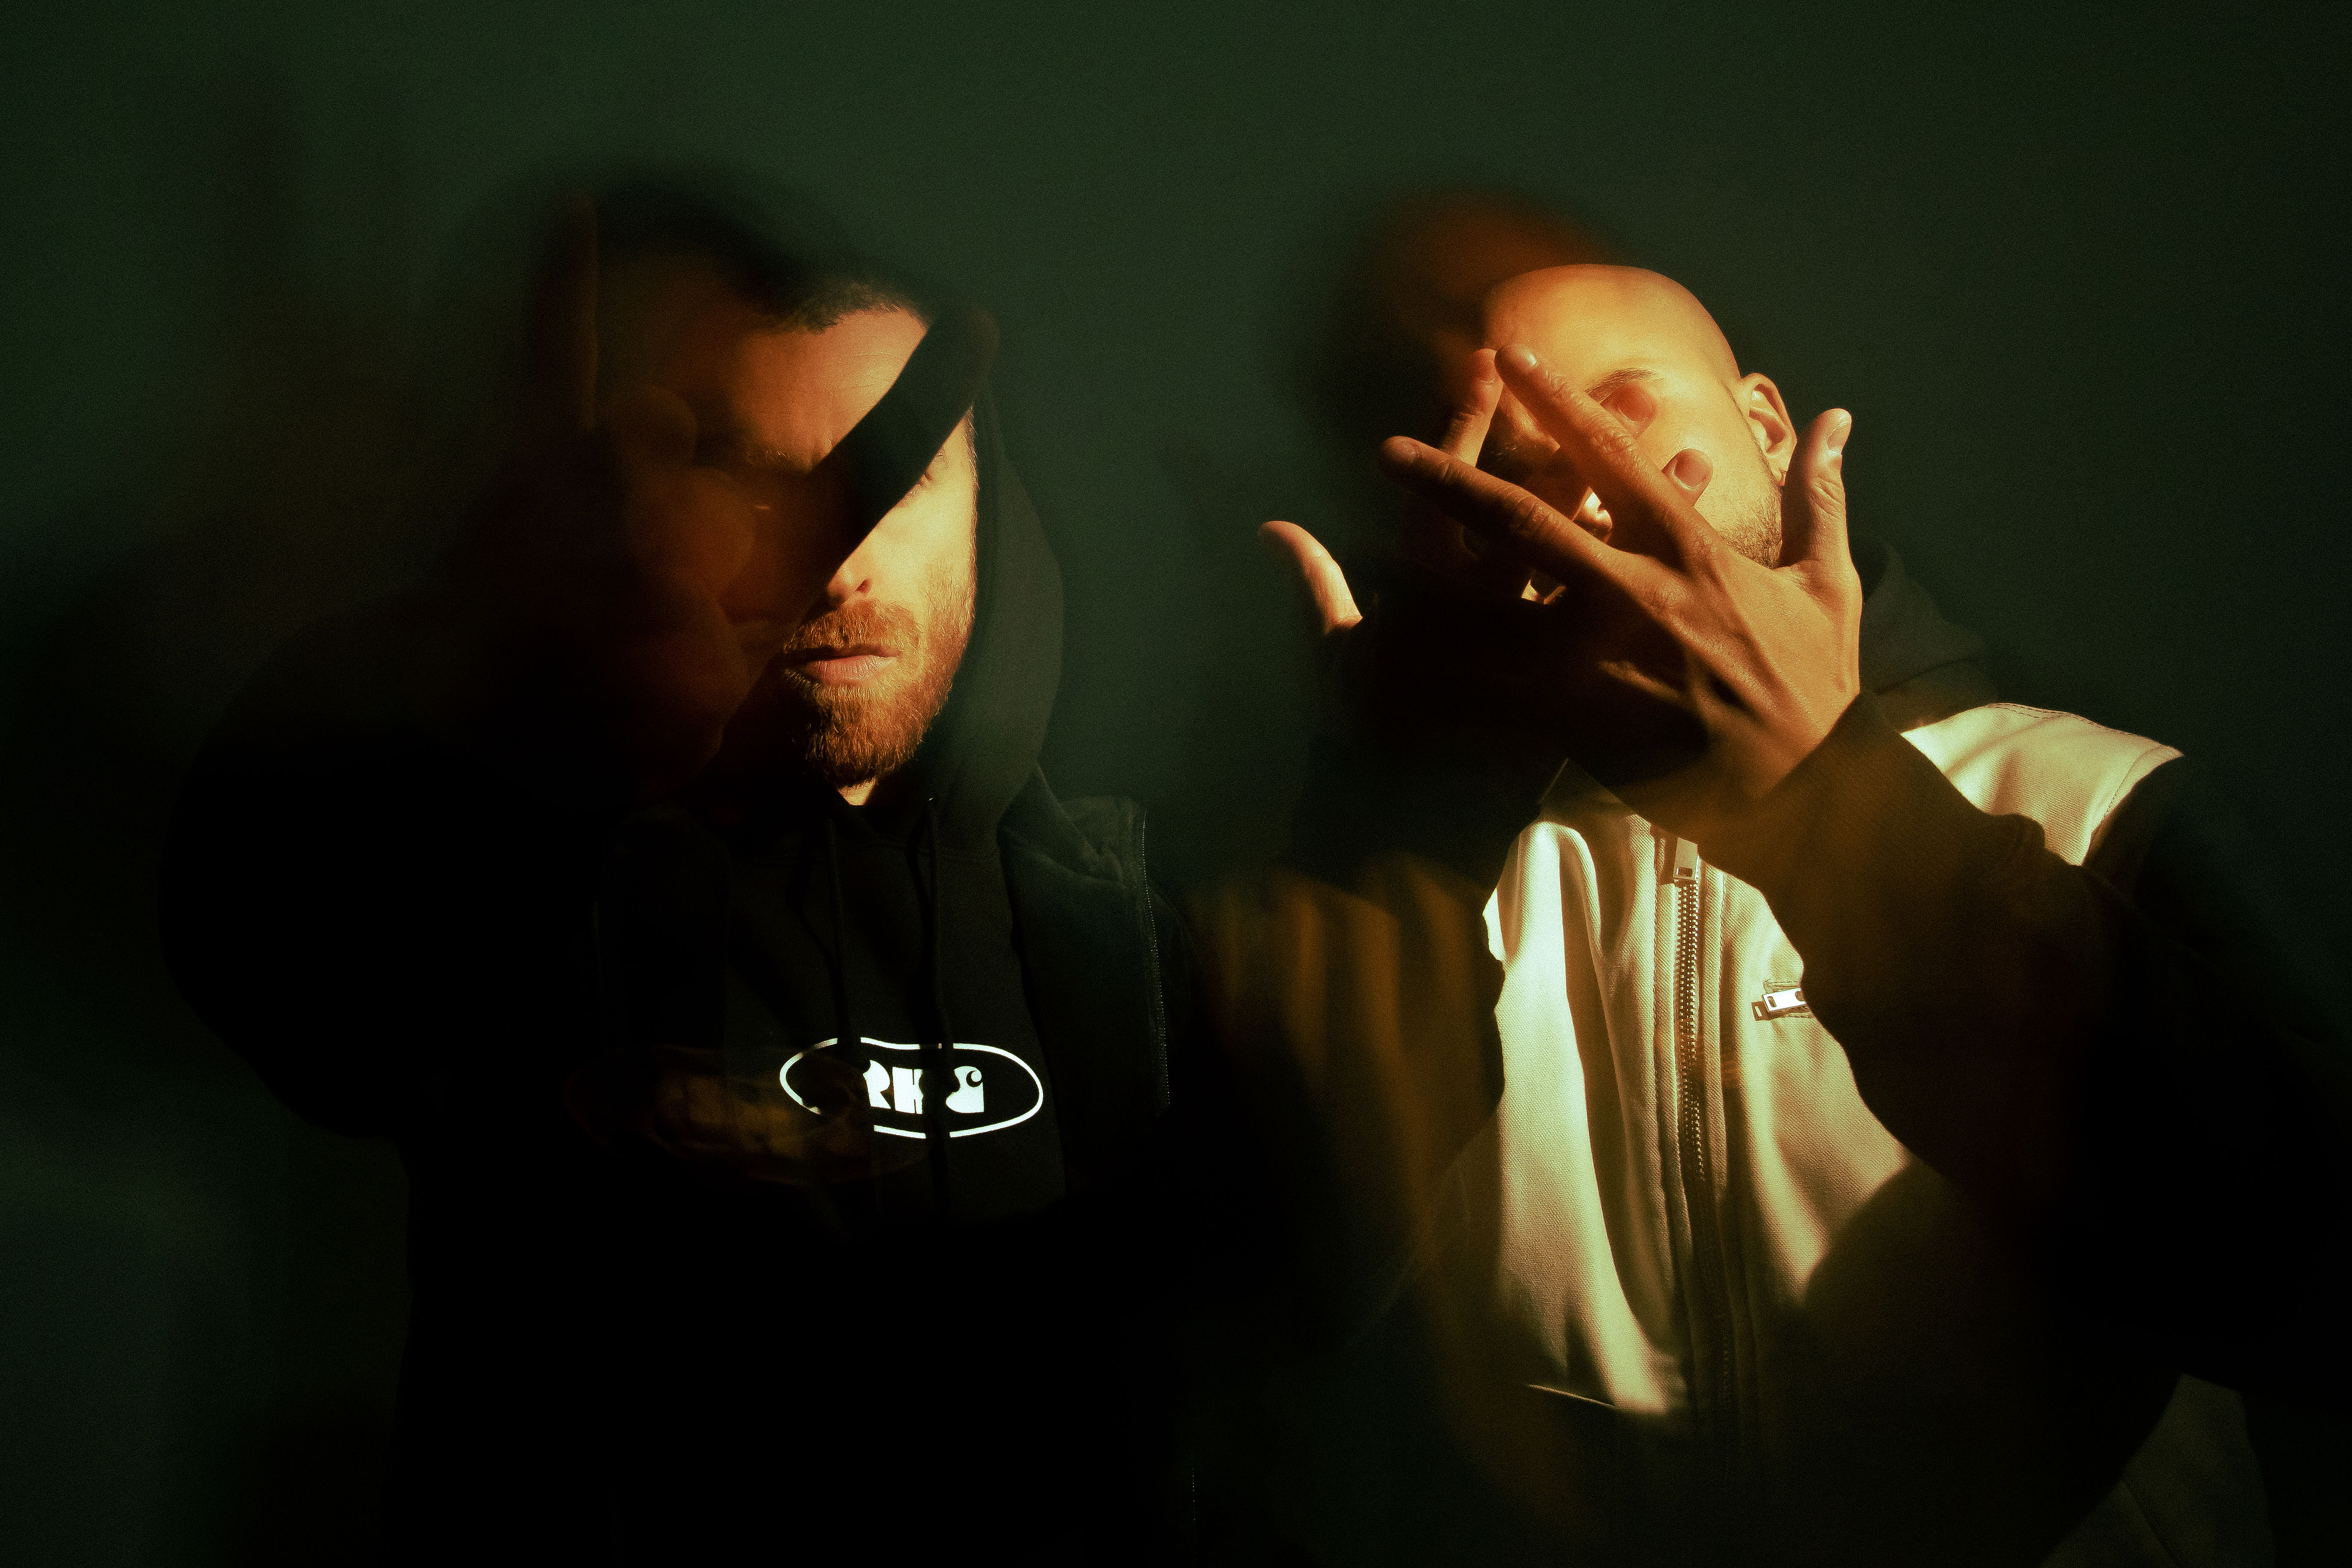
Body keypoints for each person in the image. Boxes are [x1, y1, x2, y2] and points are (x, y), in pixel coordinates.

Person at [1201, 262, 2343, 1565]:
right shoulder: (1463, 872)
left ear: (1764, 423)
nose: (1587, 488)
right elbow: (1239, 1321)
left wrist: (1832, 804)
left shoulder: (2101, 798)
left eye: (1619, 407)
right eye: (1519, 465)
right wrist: (1385, 832)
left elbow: (2316, 1280)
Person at [160, 174, 1196, 1564]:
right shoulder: (548, 866)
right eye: (767, 483)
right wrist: (479, 655)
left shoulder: (1118, 922)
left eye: (891, 479)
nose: (837, 561)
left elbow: (1269, 1340)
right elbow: (281, 951)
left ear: (988, 515)